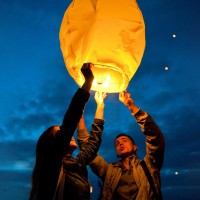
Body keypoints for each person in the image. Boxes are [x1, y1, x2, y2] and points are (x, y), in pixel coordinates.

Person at [29, 63, 105, 200]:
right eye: (59, 133)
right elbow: (69, 123)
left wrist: (100, 106)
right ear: (52, 143)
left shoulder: (77, 165)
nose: (69, 136)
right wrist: (87, 83)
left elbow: (93, 143)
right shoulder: (50, 164)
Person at [77, 91, 165, 200]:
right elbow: (88, 149)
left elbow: (155, 138)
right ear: (117, 153)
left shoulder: (150, 165)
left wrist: (132, 107)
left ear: (135, 147)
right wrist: (79, 116)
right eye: (117, 143)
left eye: (124, 140)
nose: (120, 143)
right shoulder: (109, 171)